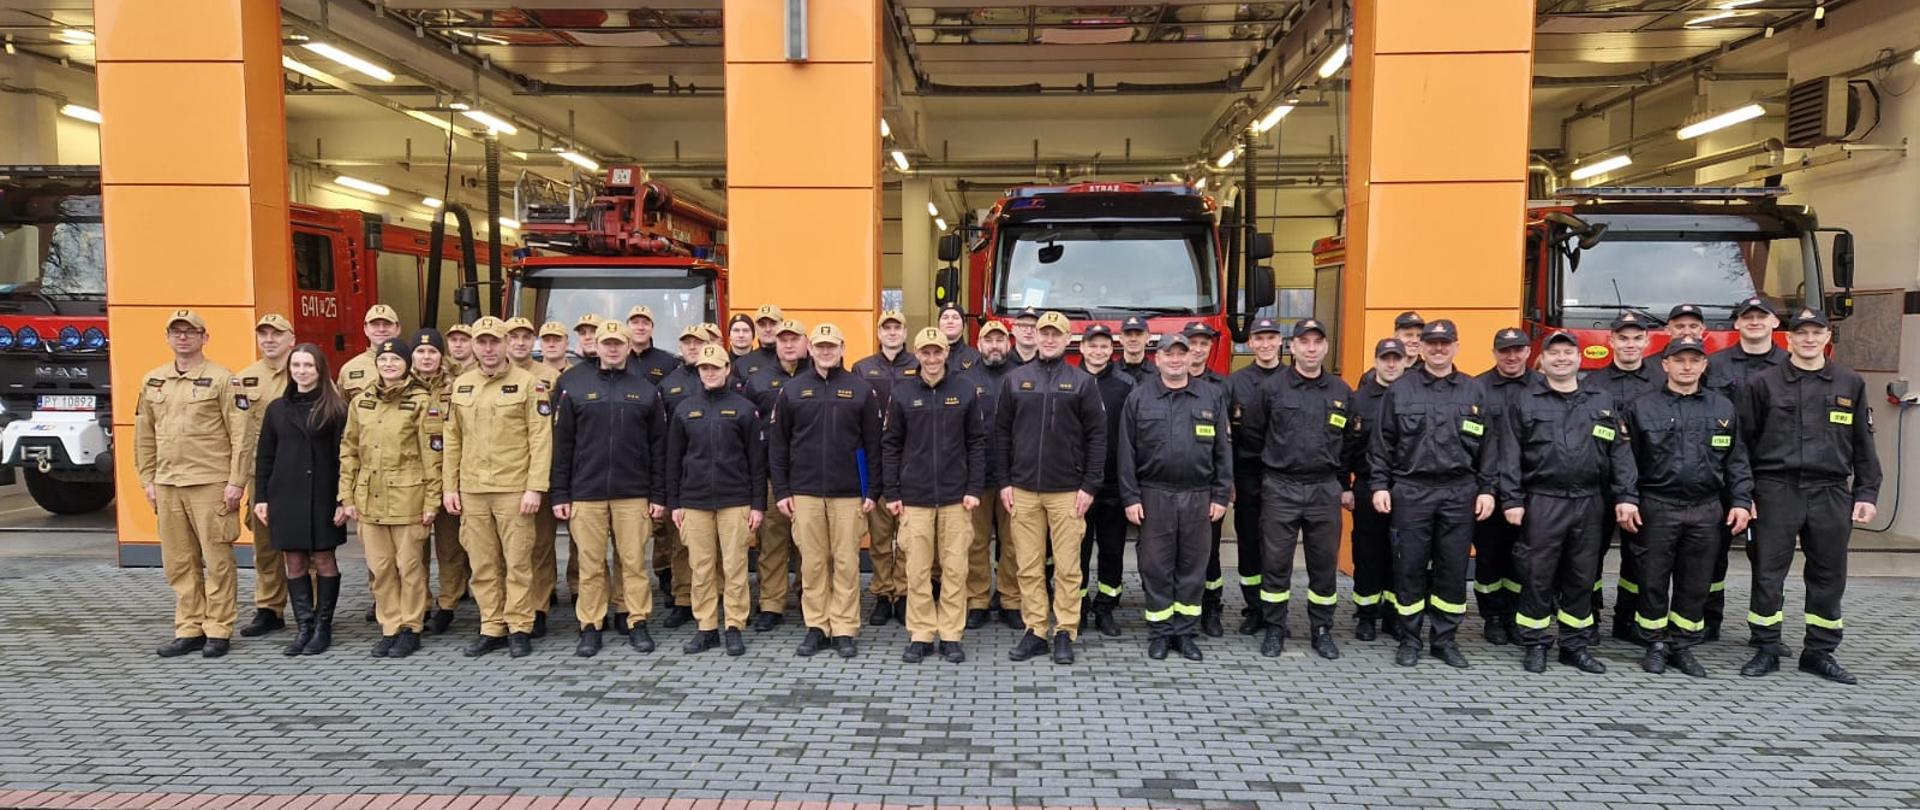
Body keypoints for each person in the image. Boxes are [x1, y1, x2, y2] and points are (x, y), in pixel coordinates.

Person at [1736, 308, 1881, 684]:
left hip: (1830, 491)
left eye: (1817, 332)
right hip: (1775, 489)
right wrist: (1743, 494)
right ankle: (1767, 647)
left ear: (1827, 337)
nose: (1809, 339)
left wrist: (1867, 492)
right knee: (1768, 572)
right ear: (1788, 339)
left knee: (1829, 574)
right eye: (1801, 333)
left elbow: (1863, 443)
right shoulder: (1763, 384)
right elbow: (1741, 445)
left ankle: (1819, 652)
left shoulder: (1850, 383)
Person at [1496, 331, 1638, 674]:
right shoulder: (1525, 401)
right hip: (1543, 499)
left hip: (1590, 500)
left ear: (1579, 358)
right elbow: (1509, 454)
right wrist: (1511, 499)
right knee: (1537, 574)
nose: (1561, 358)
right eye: (1554, 353)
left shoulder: (1600, 400)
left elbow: (1619, 453)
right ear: (1542, 360)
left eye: (1568, 353)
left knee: (1582, 574)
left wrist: (1626, 496)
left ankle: (1574, 645)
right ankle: (1535, 642)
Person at [1369, 319, 1498, 668]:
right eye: (1432, 343)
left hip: (1460, 491)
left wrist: (1487, 490)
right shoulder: (1401, 390)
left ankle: (1444, 640)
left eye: (1445, 343)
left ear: (1456, 347)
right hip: (1412, 491)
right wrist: (1379, 485)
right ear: (1421, 348)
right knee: (1408, 567)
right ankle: (1409, 638)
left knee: (1452, 568)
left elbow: (1489, 447)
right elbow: (1382, 443)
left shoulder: (1474, 390)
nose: (1439, 349)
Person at [1622, 336, 1753, 677]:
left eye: (1694, 360)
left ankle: (1681, 646)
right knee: (1652, 580)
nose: (1687, 366)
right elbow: (1626, 462)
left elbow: (1737, 461)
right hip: (1657, 505)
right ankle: (1654, 644)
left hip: (1706, 507)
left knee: (1695, 583)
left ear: (1704, 365)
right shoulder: (1641, 407)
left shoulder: (1722, 408)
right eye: (1679, 360)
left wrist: (1741, 501)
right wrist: (1627, 499)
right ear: (1665, 364)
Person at [996, 311, 1107, 665]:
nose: (1048, 339)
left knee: (1068, 567)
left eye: (1055, 334)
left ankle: (1065, 631)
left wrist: (1089, 485)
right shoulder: (1015, 380)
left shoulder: (1082, 383)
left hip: (1068, 492)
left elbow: (1097, 437)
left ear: (1066, 339)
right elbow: (1000, 434)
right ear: (1035, 336)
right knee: (1028, 566)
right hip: (1023, 489)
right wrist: (1004, 481)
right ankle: (1035, 630)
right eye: (1043, 333)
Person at [551, 321, 667, 657]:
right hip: (586, 492)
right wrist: (560, 493)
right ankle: (591, 625)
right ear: (596, 346)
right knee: (590, 565)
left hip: (633, 493)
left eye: (619, 343)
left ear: (629, 347)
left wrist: (658, 495)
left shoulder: (645, 389)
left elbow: (658, 447)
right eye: (607, 343)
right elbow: (563, 446)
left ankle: (636, 619)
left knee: (633, 563)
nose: (613, 349)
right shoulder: (574, 386)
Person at [138, 310, 249, 659]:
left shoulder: (223, 379)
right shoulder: (154, 380)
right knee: (178, 562)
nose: (183, 337)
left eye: (191, 331)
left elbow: (241, 435)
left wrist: (236, 482)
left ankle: (218, 628)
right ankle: (189, 628)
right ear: (167, 338)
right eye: (177, 332)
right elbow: (144, 435)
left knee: (217, 560)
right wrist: (147, 479)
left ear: (205, 337)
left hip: (210, 482)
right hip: (168, 483)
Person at [443, 316, 554, 658]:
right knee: (483, 564)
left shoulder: (529, 384)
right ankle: (491, 626)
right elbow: (452, 439)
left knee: (518, 561)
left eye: (495, 341)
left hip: (513, 488)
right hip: (473, 489)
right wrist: (450, 487)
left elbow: (541, 438)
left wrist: (535, 487)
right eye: (482, 342)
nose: (488, 349)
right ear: (473, 346)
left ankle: (519, 626)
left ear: (506, 344)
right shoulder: (462, 385)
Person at [1243, 318, 1352, 660]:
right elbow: (1252, 435)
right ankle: (1275, 627)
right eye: (1304, 342)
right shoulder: (1272, 389)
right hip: (1281, 486)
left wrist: (1343, 483)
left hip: (1324, 489)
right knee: (1275, 564)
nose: (1311, 348)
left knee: (1323, 565)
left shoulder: (1340, 391)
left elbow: (1350, 442)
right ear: (1292, 346)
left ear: (1326, 347)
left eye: (1317, 342)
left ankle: (1321, 629)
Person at [1119, 331, 1232, 662]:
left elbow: (1223, 452)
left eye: (1181, 353)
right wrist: (1131, 497)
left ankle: (1184, 632)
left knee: (1193, 567)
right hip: (1154, 495)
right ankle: (1160, 632)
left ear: (1190, 357)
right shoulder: (1139, 397)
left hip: (1198, 496)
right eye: (1169, 354)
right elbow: (1126, 453)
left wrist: (1221, 495)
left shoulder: (1211, 396)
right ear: (1158, 359)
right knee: (1156, 566)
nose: (1176, 359)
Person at [771, 323, 882, 657]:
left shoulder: (861, 390)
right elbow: (778, 445)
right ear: (810, 349)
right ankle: (817, 626)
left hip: (848, 493)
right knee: (812, 563)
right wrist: (782, 491)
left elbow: (874, 445)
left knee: (846, 563)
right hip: (804, 492)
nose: (825, 351)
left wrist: (872, 491)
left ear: (842, 348)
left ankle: (844, 628)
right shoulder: (792, 390)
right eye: (820, 346)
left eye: (831, 346)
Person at [884, 327, 988, 664]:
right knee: (916, 570)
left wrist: (974, 489)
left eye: (937, 352)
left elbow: (976, 442)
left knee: (955, 569)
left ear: (946, 354)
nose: (931, 358)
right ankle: (921, 633)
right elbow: (891, 445)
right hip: (914, 498)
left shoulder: (965, 390)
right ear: (917, 354)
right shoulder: (902, 393)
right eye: (925, 352)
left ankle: (951, 634)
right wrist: (892, 492)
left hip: (956, 497)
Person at [338, 338, 440, 658]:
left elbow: (432, 455)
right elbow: (349, 451)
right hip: (369, 498)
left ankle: (411, 626)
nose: (389, 365)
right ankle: (390, 625)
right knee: (380, 568)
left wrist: (432, 500)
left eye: (396, 359)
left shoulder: (422, 401)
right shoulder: (361, 402)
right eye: (383, 360)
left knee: (409, 567)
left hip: (408, 497)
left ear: (407, 364)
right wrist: (346, 495)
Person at [667, 345, 767, 656]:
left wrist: (758, 504)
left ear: (727, 369)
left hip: (735, 500)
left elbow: (756, 462)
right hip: (694, 501)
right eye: (704, 368)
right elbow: (673, 460)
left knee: (735, 567)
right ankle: (707, 627)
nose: (709, 372)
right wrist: (675, 503)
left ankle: (734, 625)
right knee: (701, 567)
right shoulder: (684, 409)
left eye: (715, 367)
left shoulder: (745, 409)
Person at [254, 343, 350, 656]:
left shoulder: (335, 408)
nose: (302, 371)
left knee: (323, 559)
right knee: (293, 561)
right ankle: (304, 627)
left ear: (320, 370)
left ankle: (323, 627)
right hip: (286, 495)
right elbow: (265, 456)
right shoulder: (277, 409)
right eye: (296, 365)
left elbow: (345, 458)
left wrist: (343, 499)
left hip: (323, 495)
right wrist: (261, 497)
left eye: (308, 365)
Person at [1702, 296, 1786, 638]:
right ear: (1736, 324)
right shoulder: (1714, 365)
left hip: (1771, 476)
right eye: (1747, 317)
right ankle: (1707, 623)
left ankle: (1764, 633)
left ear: (1775, 322)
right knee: (1711, 553)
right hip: (1720, 473)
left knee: (1767, 558)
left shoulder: (1790, 366)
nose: (1754, 322)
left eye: (1761, 316)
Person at [1585, 312, 1667, 641]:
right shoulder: (1592, 384)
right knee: (1590, 553)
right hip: (1601, 483)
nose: (1630, 344)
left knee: (1639, 556)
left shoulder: (1662, 382)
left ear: (1647, 342)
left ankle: (1627, 619)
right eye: (1623, 338)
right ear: (1611, 341)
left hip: (1648, 482)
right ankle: (1587, 617)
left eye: (1636, 338)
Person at [1471, 328, 1538, 645]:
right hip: (1487, 489)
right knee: (1488, 556)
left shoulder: (1542, 386)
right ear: (1494, 353)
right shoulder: (1476, 388)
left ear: (1528, 351)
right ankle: (1493, 617)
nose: (1511, 356)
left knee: (1522, 556)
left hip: (1529, 489)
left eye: (1518, 350)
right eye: (1504, 350)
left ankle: (1514, 614)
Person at [744, 318, 809, 629]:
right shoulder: (758, 381)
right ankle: (771, 603)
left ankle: (810, 597)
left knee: (810, 546)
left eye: (795, 339)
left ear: (806, 343)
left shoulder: (820, 375)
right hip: (772, 475)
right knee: (772, 544)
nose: (789, 344)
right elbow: (747, 431)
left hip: (810, 478)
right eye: (783, 339)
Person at [234, 313, 295, 639]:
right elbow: (239, 433)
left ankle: (312, 609)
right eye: (264, 334)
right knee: (265, 545)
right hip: (263, 473)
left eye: (277, 334)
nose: (269, 340)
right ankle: (269, 609)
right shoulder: (244, 379)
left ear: (291, 339)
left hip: (301, 473)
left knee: (306, 545)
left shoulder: (307, 370)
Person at [854, 310, 916, 626]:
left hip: (911, 462)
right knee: (879, 538)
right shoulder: (862, 368)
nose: (892, 332)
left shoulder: (918, 365)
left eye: (897, 328)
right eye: (886, 328)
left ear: (905, 333)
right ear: (878, 333)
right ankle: (882, 593)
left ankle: (903, 593)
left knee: (906, 538)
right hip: (876, 462)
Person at [1225, 317, 1284, 637]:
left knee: (1277, 547)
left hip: (1282, 476)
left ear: (1280, 341)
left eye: (1271, 338)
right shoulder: (1235, 383)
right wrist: (1229, 479)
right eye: (1259, 338)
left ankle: (1275, 612)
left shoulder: (1292, 380)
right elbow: (1226, 438)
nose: (1265, 344)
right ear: (1250, 343)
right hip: (1247, 474)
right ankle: (1253, 609)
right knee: (1248, 544)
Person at [1346, 338, 1408, 641]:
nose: (1391, 364)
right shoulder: (1357, 400)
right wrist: (1343, 485)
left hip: (1405, 487)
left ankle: (1393, 615)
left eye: (1397, 359)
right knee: (1367, 551)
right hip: (1368, 485)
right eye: (1386, 359)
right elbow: (1344, 446)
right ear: (1376, 361)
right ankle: (1367, 614)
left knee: (1401, 553)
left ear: (1406, 362)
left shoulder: (1413, 397)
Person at [1076, 323, 1135, 636]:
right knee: (1078, 551)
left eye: (1103, 346)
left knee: (1112, 551)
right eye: (1092, 346)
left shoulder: (1126, 385)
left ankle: (1105, 608)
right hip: (1079, 485)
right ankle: (1078, 606)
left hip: (1113, 484)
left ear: (1112, 350)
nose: (1098, 352)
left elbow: (1133, 436)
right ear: (1082, 348)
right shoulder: (1071, 381)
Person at [506, 316, 562, 637]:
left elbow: (553, 430)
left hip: (538, 475)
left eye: (526, 337)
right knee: (508, 551)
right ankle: (509, 608)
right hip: (501, 478)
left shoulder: (551, 377)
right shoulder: (481, 378)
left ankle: (539, 606)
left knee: (540, 545)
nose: (520, 342)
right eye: (513, 337)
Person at [960, 320, 1018, 629]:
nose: (994, 346)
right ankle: (977, 600)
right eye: (989, 340)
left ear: (1008, 344)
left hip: (1014, 476)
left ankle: (1011, 600)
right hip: (976, 477)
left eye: (999, 340)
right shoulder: (965, 380)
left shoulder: (1021, 377)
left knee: (1013, 543)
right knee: (976, 543)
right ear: (979, 344)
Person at [409, 329, 468, 633]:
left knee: (450, 547)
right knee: (414, 549)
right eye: (420, 352)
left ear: (441, 355)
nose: (426, 357)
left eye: (432, 351)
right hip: (412, 479)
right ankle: (420, 604)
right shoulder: (401, 387)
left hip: (447, 475)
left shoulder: (457, 385)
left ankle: (448, 604)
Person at [1180, 321, 1232, 636]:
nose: (1198, 349)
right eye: (1192, 343)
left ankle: (1211, 608)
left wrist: (1224, 488)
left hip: (1207, 486)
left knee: (1209, 552)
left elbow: (1226, 444)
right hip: (1171, 487)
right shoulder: (1162, 382)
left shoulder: (1221, 387)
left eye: (1204, 343)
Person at [339, 304, 403, 398]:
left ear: (398, 328)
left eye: (387, 324)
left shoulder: (413, 366)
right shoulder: (349, 369)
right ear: (365, 329)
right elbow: (342, 405)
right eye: (375, 324)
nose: (381, 329)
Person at [625, 305, 680, 383]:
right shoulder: (616, 359)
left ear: (652, 328)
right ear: (627, 327)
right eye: (635, 322)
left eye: (646, 323)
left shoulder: (669, 362)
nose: (640, 327)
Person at [937, 304, 981, 371]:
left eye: (955, 318)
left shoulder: (976, 358)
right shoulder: (928, 357)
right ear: (939, 324)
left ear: (963, 324)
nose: (950, 321)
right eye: (945, 318)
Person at [1116, 315, 1156, 383]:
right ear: (1121, 339)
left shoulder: (1159, 374)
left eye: (1138, 334)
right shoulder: (1110, 373)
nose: (1133, 339)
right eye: (1128, 334)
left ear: (1148, 338)